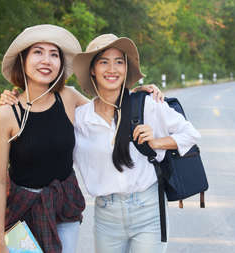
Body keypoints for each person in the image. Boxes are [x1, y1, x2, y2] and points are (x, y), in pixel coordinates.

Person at [0, 25, 162, 253]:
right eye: (38, 52)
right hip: (23, 209)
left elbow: (108, 106)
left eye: (54, 55)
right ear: (23, 60)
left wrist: (138, 93)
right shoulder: (6, 114)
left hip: (64, 204)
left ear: (61, 64)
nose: (47, 60)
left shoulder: (68, 98)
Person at [72, 34, 201, 253]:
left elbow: (189, 134)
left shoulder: (147, 105)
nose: (112, 68)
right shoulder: (81, 118)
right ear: (92, 69)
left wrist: (157, 142)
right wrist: (12, 103)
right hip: (106, 216)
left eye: (119, 62)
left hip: (148, 211)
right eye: (104, 61)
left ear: (126, 69)